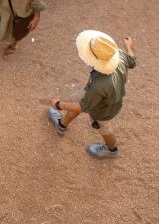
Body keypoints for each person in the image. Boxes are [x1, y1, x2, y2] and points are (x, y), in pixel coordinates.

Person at [45, 31, 136, 159]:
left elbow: (83, 107)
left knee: (103, 128)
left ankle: (111, 149)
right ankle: (62, 125)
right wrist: (129, 47)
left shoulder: (99, 86)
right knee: (74, 99)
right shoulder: (119, 55)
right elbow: (132, 60)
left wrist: (58, 105)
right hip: (97, 94)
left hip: (103, 109)